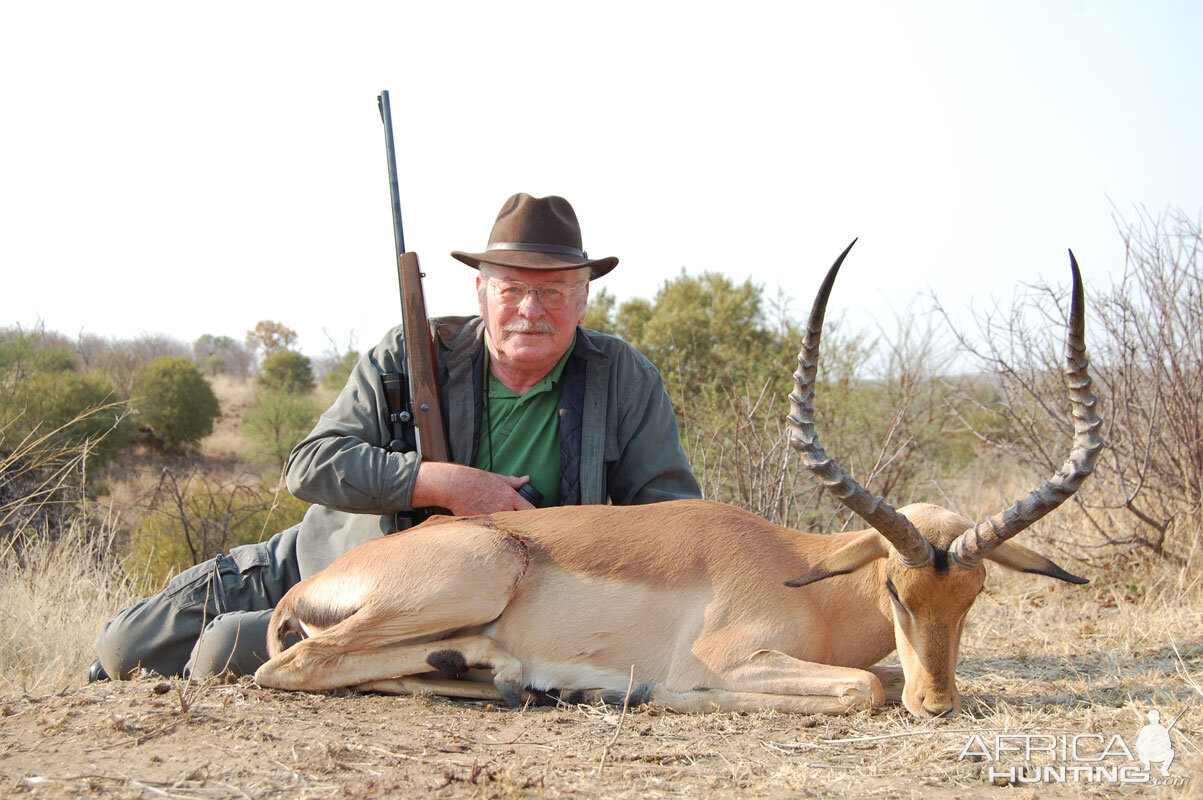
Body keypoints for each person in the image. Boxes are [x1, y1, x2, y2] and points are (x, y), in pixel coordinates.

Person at [93, 193, 701, 680]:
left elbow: (673, 524)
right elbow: (310, 464)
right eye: (512, 288)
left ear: (584, 298)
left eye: (552, 290)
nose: (530, 309)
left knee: (223, 650)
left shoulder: (622, 379)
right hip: (327, 555)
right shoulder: (409, 356)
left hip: (441, 606)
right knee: (124, 646)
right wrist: (434, 482)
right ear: (482, 293)